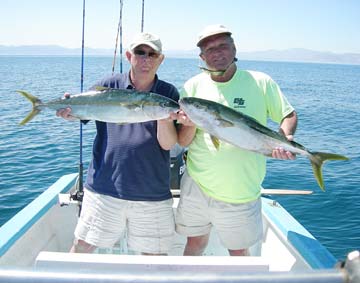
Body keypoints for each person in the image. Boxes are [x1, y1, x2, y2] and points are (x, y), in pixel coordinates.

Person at [175, 24, 298, 256]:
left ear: (234, 48)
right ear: (202, 57)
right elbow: (183, 141)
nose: (217, 52)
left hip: (241, 189)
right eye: (209, 49)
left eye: (223, 45)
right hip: (197, 185)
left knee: (239, 252)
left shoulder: (260, 82)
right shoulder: (191, 87)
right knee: (194, 243)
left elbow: (288, 114)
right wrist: (190, 124)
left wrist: (285, 137)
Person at [56, 32, 179, 255]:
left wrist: (163, 115)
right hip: (104, 187)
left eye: (153, 54)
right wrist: (69, 110)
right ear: (129, 55)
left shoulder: (167, 93)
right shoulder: (109, 84)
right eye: (140, 53)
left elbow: (168, 144)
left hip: (151, 192)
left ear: (161, 59)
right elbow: (81, 112)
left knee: (155, 257)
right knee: (83, 246)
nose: (146, 59)